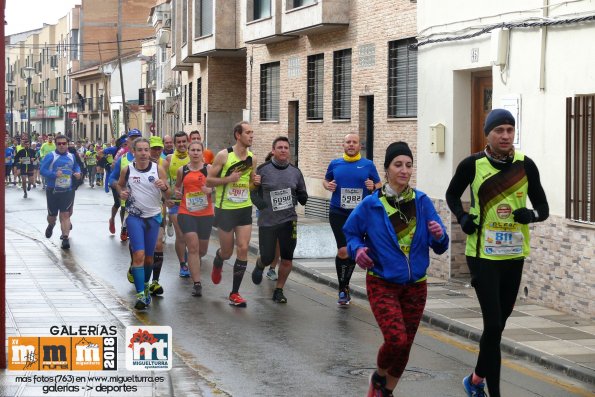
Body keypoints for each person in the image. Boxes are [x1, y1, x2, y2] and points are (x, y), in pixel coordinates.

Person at [445, 109, 549, 397]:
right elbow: (452, 194)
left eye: (510, 130)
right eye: (499, 130)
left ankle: (476, 380)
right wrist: (462, 218)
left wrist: (530, 215)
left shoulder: (526, 165)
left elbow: (543, 208)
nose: (505, 135)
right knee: (492, 323)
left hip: (513, 257)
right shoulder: (472, 165)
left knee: (497, 327)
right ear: (487, 134)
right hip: (482, 256)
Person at [343, 141, 449, 397]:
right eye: (398, 165)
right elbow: (351, 232)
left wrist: (439, 235)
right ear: (387, 169)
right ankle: (378, 377)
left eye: (409, 165)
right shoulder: (371, 204)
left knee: (406, 346)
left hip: (415, 285)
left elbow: (441, 245)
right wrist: (358, 250)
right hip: (382, 282)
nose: (404, 170)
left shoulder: (422, 202)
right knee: (396, 340)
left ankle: (385, 392)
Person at [323, 134, 382, 306]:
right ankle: (343, 289)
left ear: (359, 146)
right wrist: (329, 186)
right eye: (348, 142)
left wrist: (373, 187)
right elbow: (326, 181)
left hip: (360, 215)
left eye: (354, 142)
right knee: (343, 251)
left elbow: (379, 185)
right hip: (338, 212)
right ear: (343, 145)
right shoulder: (335, 163)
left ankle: (345, 286)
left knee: (354, 251)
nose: (351, 145)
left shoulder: (368, 164)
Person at [206, 121, 258, 307]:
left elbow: (250, 185)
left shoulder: (252, 157)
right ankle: (219, 261)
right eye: (248, 133)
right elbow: (209, 181)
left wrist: (255, 182)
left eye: (252, 133)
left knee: (243, 248)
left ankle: (235, 293)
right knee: (227, 252)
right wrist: (229, 179)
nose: (251, 136)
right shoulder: (223, 156)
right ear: (238, 135)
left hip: (244, 207)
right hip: (225, 209)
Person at [251, 136, 308, 303]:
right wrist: (262, 206)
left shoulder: (296, 172)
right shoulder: (263, 170)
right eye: (280, 147)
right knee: (268, 257)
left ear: (289, 152)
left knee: (287, 257)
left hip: (289, 221)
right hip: (268, 222)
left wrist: (302, 196)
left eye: (286, 147)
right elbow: (252, 194)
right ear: (273, 151)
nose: (283, 150)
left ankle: (279, 290)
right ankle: (261, 265)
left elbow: (302, 194)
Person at [115, 137, 169, 310]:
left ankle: (145, 285)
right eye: (140, 150)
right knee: (138, 256)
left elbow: (169, 196)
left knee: (148, 258)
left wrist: (165, 188)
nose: (144, 153)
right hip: (134, 217)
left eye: (146, 150)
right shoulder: (127, 170)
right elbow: (119, 185)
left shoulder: (158, 169)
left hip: (153, 218)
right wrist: (122, 193)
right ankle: (140, 295)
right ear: (134, 152)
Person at [174, 141, 215, 297]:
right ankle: (197, 284)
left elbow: (215, 186)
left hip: (205, 214)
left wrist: (210, 189)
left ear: (202, 153)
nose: (196, 153)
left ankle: (193, 263)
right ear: (189, 152)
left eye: (199, 150)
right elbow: (177, 187)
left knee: (201, 250)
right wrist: (177, 192)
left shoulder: (209, 169)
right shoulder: (182, 170)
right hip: (186, 212)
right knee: (192, 247)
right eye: (193, 150)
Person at [39, 134, 82, 249]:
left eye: (64, 143)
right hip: (53, 190)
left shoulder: (72, 156)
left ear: (67, 144)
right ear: (56, 144)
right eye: (59, 144)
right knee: (52, 216)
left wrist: (78, 173)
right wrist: (53, 174)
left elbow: (76, 167)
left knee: (65, 214)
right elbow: (42, 170)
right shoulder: (50, 156)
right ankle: (51, 225)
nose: (62, 146)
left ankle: (65, 238)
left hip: (67, 189)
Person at [162, 131, 191, 277]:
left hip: (193, 203)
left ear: (188, 142)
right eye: (178, 142)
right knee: (181, 235)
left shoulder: (195, 156)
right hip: (176, 202)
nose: (181, 144)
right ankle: (183, 264)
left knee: (191, 236)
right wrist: (167, 196)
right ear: (174, 144)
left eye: (183, 141)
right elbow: (164, 178)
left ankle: (191, 260)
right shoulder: (169, 158)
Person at [109, 129, 143, 241]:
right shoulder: (122, 159)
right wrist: (119, 188)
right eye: (132, 138)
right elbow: (112, 178)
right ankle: (124, 228)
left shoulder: (148, 158)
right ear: (128, 141)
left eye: (138, 138)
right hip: (127, 200)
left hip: (144, 200)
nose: (135, 141)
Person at [145, 136, 167, 296]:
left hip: (157, 211)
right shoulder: (133, 166)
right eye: (154, 148)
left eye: (159, 148)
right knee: (140, 250)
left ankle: (155, 281)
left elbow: (168, 189)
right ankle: (136, 268)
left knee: (158, 245)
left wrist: (167, 191)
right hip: (138, 213)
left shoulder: (163, 165)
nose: (157, 152)